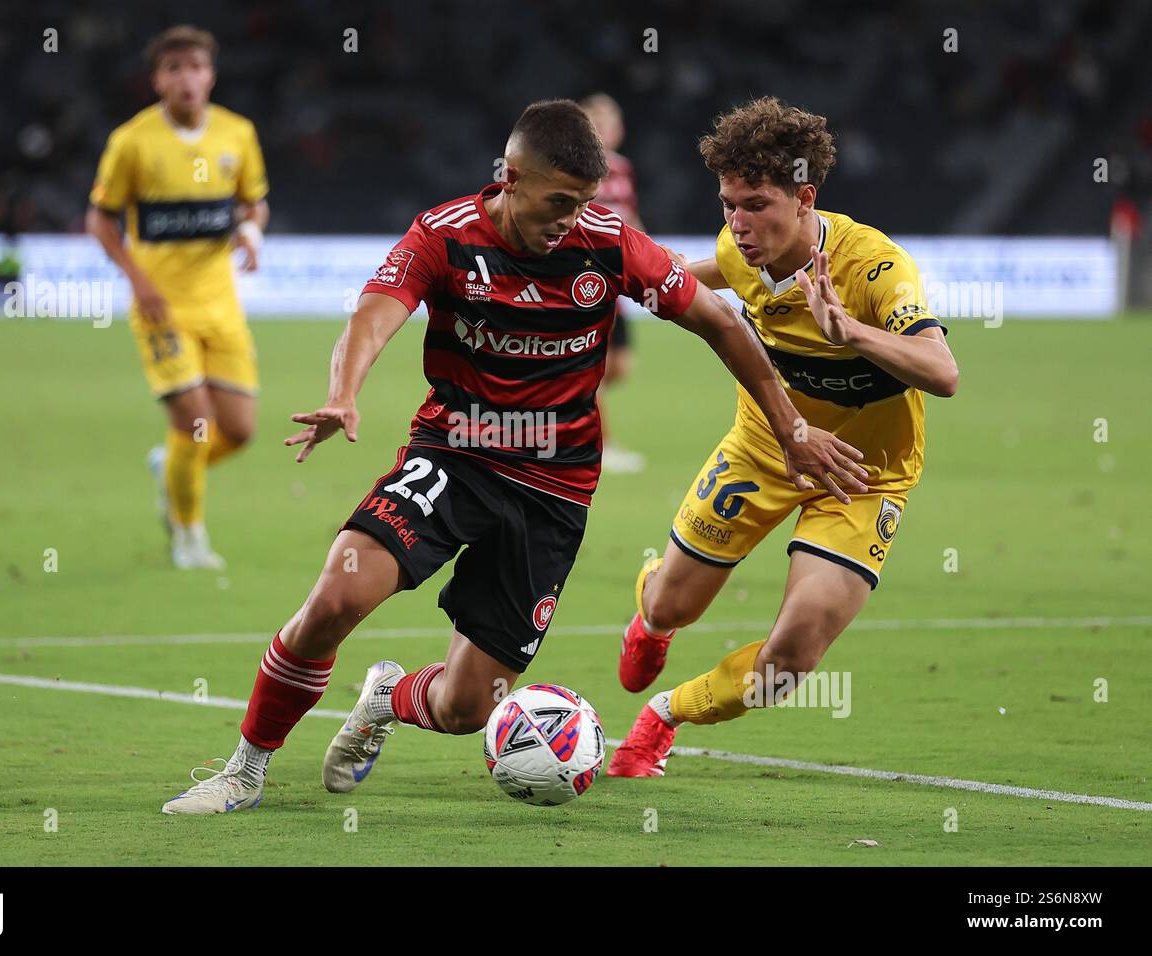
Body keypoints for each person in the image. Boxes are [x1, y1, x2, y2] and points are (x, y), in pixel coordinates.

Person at [160, 98, 863, 814]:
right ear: (512, 177)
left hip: (553, 493)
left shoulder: (609, 244)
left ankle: (384, 698)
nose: (572, 217)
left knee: (467, 707)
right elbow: (375, 313)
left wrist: (791, 428)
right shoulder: (445, 234)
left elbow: (720, 323)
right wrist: (344, 392)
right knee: (334, 599)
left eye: (585, 201)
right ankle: (244, 771)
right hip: (454, 457)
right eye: (559, 199)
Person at [609, 97, 959, 777]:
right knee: (670, 602)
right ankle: (651, 619)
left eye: (756, 204)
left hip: (862, 477)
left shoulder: (873, 269)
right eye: (728, 204)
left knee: (793, 656)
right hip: (764, 449)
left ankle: (663, 717)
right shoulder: (738, 248)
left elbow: (942, 373)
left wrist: (852, 332)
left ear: (805, 198)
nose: (739, 224)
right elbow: (698, 278)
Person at [85, 25, 269, 570]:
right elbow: (99, 217)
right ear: (157, 80)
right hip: (161, 310)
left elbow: (254, 203)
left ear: (210, 75)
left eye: (195, 67)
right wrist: (137, 279)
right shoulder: (133, 142)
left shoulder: (237, 134)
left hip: (222, 307)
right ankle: (189, 537)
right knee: (193, 421)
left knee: (237, 431)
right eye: (174, 69)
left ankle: (171, 468)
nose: (186, 78)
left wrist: (252, 233)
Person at [580, 92, 646, 473]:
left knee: (619, 366)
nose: (608, 128)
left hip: (620, 281)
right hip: (592, 280)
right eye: (599, 121)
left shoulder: (622, 168)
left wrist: (652, 255)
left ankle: (562, 404)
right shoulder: (579, 169)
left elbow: (630, 218)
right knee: (595, 366)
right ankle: (599, 446)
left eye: (612, 120)